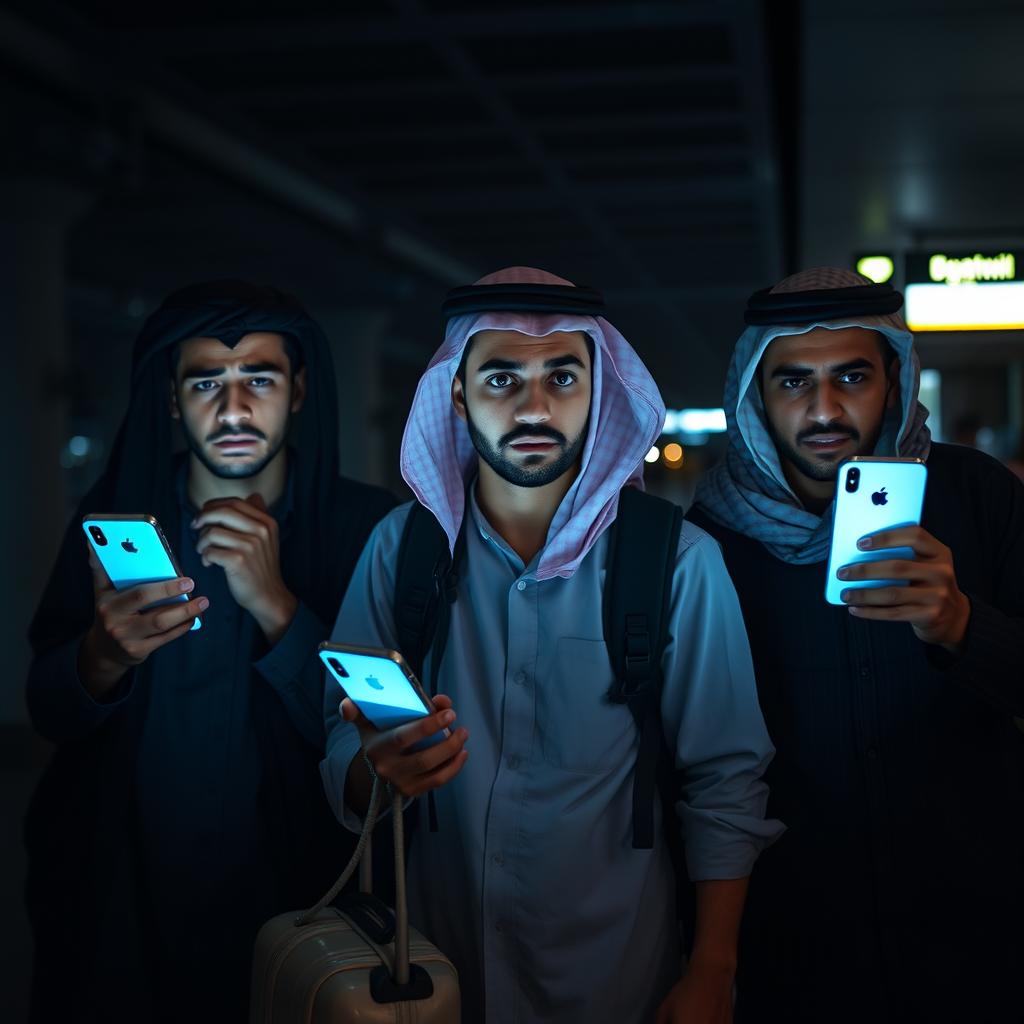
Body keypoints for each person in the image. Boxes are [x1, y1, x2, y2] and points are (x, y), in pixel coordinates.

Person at [321, 266, 783, 1024]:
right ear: (458, 394)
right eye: (501, 377)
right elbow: (339, 740)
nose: (534, 406)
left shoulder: (677, 562)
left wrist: (711, 972)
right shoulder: (399, 550)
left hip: (616, 986)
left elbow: (727, 781)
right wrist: (374, 773)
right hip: (432, 985)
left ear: (598, 394)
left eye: (562, 376)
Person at [25, 280, 395, 1024]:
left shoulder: (369, 528)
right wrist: (103, 654)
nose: (232, 410)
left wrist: (278, 606)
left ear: (297, 392)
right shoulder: (114, 524)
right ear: (171, 400)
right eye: (205, 383)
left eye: (258, 378)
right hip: (128, 896)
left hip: (301, 893)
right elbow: (48, 709)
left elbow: (388, 734)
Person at [689, 267, 1024, 1023]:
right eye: (793, 382)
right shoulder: (706, 545)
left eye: (852, 376)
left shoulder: (977, 494)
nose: (824, 409)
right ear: (754, 396)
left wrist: (965, 627)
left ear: (896, 382)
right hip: (794, 952)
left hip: (980, 941)